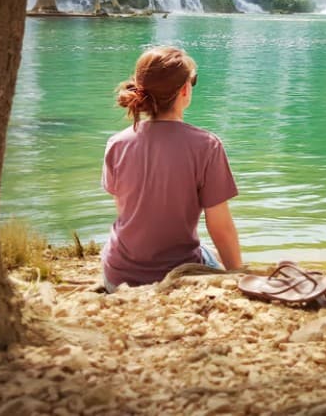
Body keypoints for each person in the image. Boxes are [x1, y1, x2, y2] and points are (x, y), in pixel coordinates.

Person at [100, 45, 243, 292]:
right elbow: (220, 227)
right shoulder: (207, 146)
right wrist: (238, 276)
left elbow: (127, 211)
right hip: (176, 278)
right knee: (211, 257)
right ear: (185, 90)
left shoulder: (117, 144)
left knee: (205, 251)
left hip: (117, 276)